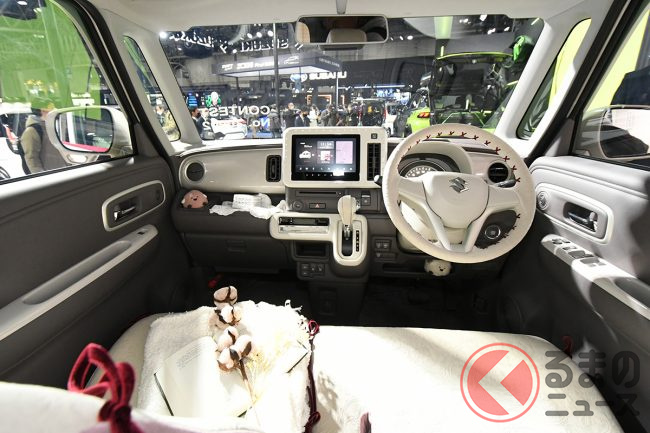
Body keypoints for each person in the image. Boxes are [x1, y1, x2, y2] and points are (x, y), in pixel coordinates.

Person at [20, 97, 67, 174]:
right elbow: (31, 158)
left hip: (61, 171)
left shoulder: (51, 126)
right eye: (51, 107)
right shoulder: (32, 131)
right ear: (42, 110)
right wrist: (41, 176)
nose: (55, 109)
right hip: (50, 175)